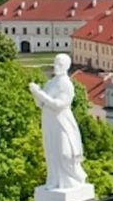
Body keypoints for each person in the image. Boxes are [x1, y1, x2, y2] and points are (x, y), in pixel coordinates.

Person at [29, 53, 87, 190]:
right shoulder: (50, 82)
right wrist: (35, 93)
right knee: (51, 150)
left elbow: (58, 105)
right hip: (49, 120)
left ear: (66, 67)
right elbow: (41, 104)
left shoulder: (66, 84)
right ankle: (55, 179)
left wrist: (39, 94)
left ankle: (72, 179)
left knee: (65, 152)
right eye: (55, 63)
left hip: (62, 121)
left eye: (59, 64)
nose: (56, 66)